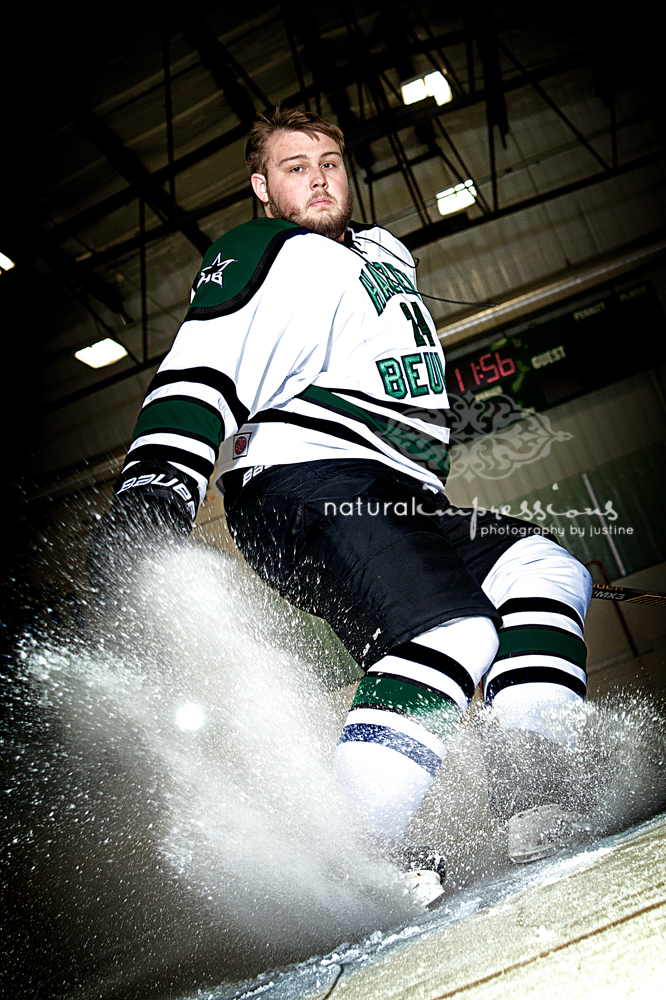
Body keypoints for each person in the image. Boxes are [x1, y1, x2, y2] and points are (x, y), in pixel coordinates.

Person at [89, 106, 593, 908]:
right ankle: (353, 854)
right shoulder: (259, 250)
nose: (319, 175)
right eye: (296, 166)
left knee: (544, 569)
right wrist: (157, 484)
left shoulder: (385, 252)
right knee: (448, 631)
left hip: (399, 497)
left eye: (330, 160)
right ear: (262, 188)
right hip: (304, 484)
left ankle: (536, 792)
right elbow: (203, 366)